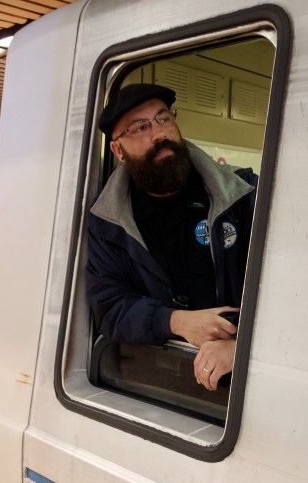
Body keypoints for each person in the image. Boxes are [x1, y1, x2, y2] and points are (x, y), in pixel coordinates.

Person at [86, 83, 257, 392]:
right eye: (140, 127)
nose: (158, 134)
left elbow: (290, 289)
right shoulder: (108, 222)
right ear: (117, 150)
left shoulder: (244, 195)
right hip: (161, 387)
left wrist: (245, 345)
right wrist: (174, 321)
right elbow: (110, 310)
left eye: (163, 118)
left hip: (247, 384)